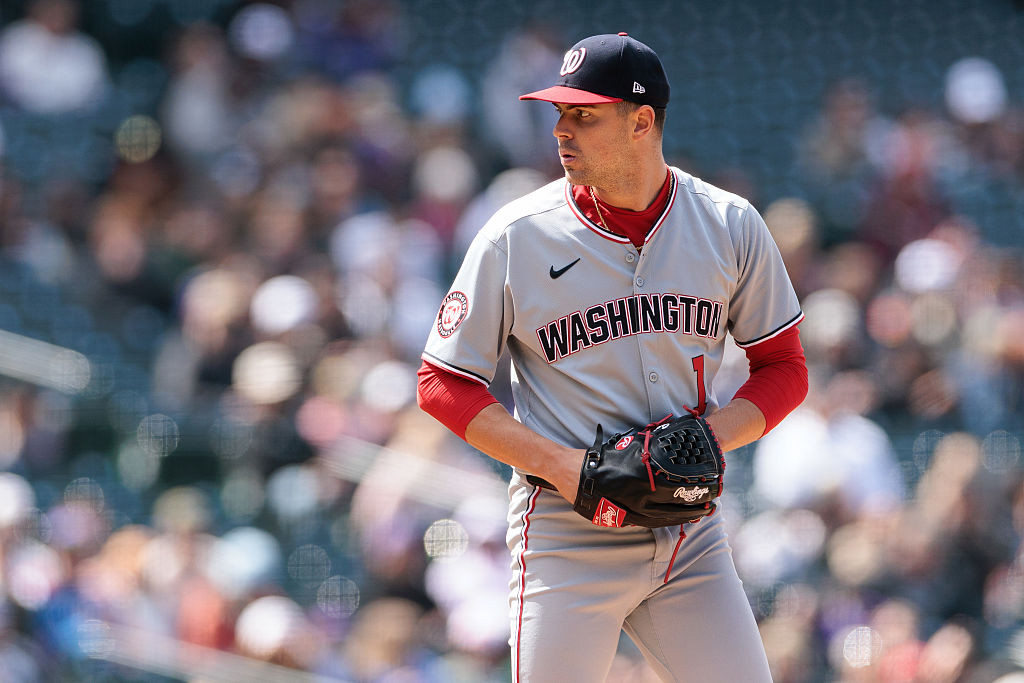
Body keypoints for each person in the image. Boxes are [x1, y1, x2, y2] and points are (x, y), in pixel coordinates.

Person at [417, 32, 808, 682]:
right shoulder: (515, 236)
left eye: (584, 115)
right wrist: (566, 467)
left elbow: (785, 368)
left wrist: (706, 439)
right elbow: (442, 383)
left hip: (687, 532)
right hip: (567, 536)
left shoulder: (729, 224)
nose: (562, 132)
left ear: (642, 121)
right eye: (560, 114)